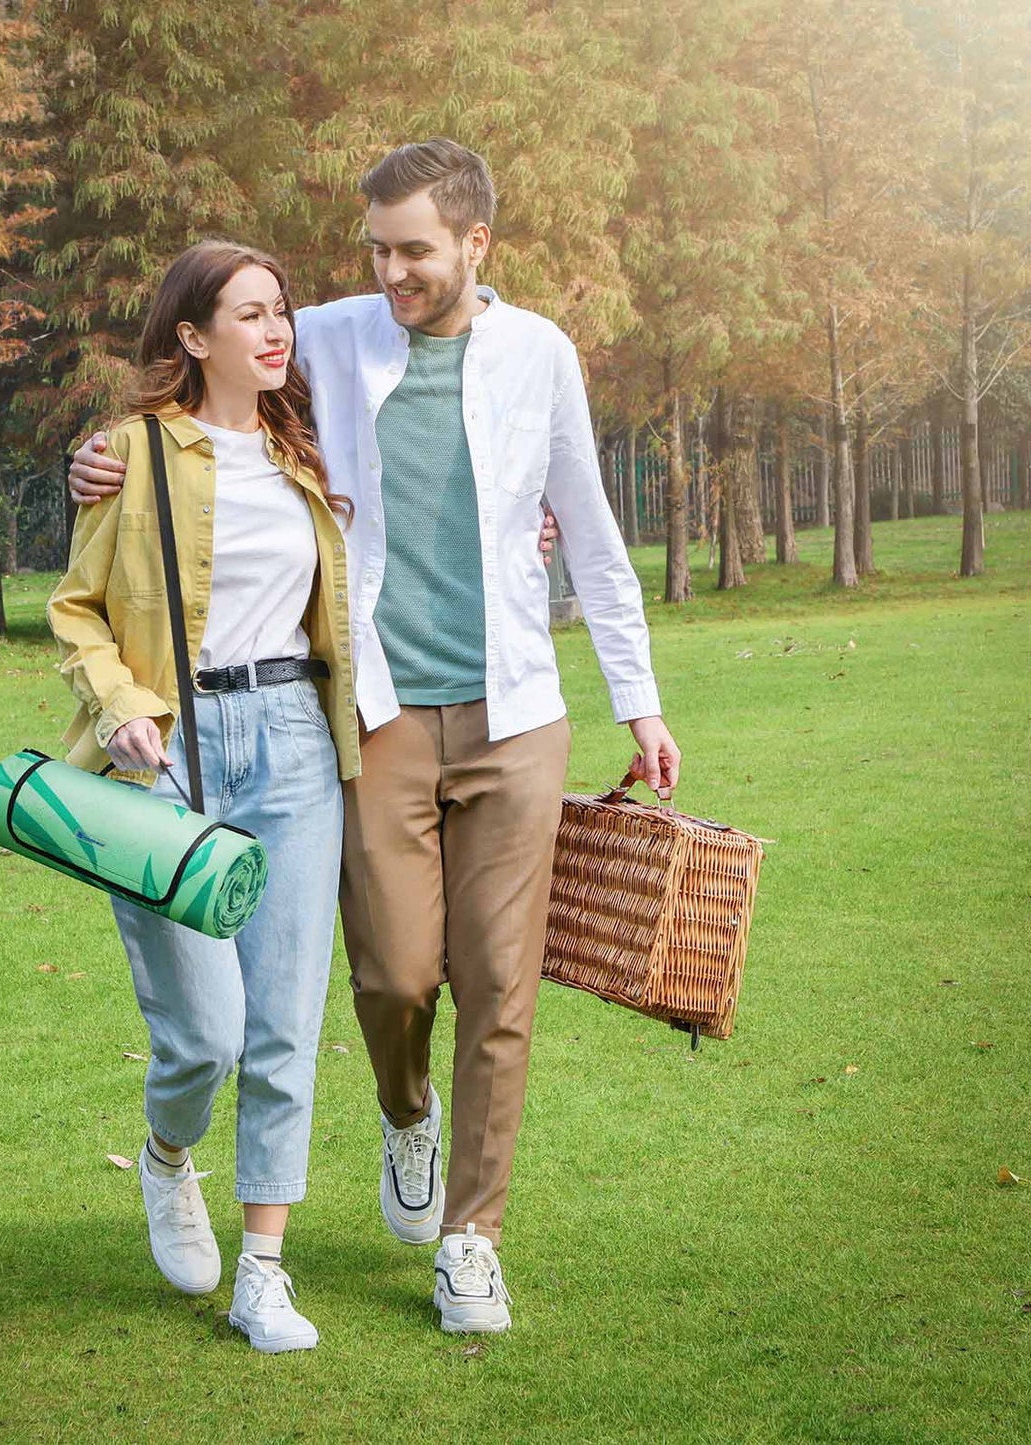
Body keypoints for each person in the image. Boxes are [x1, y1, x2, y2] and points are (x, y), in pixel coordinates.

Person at [67, 140, 682, 1334]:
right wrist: (83, 458)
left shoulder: (538, 354)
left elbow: (589, 535)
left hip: (516, 709)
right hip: (377, 710)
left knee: (500, 983)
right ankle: (407, 1113)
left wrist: (638, 699)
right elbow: (196, 422)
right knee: (395, 974)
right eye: (377, 250)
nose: (390, 271)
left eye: (413, 250)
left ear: (473, 246)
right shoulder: (333, 335)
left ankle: (470, 1239)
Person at [46, 240, 360, 1353]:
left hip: (292, 744)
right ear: (191, 336)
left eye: (281, 312)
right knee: (208, 1037)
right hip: (164, 751)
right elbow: (75, 605)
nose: (275, 332)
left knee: (283, 1027)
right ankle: (167, 1153)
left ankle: (263, 1272)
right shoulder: (128, 452)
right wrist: (123, 701)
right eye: (248, 314)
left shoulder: (306, 453)